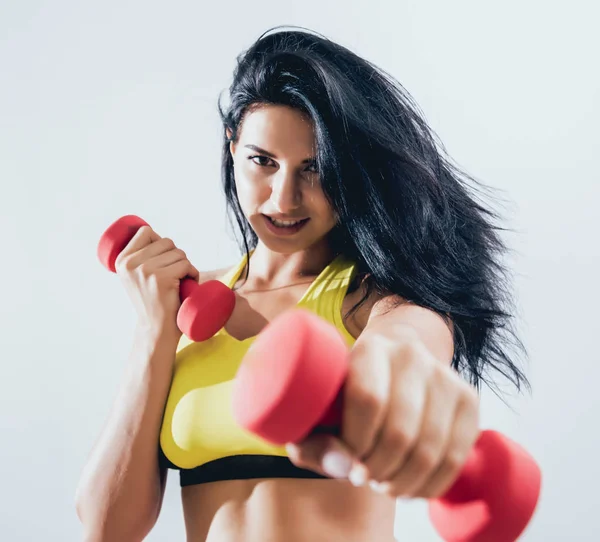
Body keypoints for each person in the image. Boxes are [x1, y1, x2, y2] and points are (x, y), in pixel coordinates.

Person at [75, 26, 530, 542]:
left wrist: (401, 373)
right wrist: (153, 329)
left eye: (314, 170)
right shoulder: (181, 302)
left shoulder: (374, 302)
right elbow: (107, 528)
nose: (284, 199)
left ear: (347, 172)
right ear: (232, 147)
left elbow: (406, 345)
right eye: (262, 161)